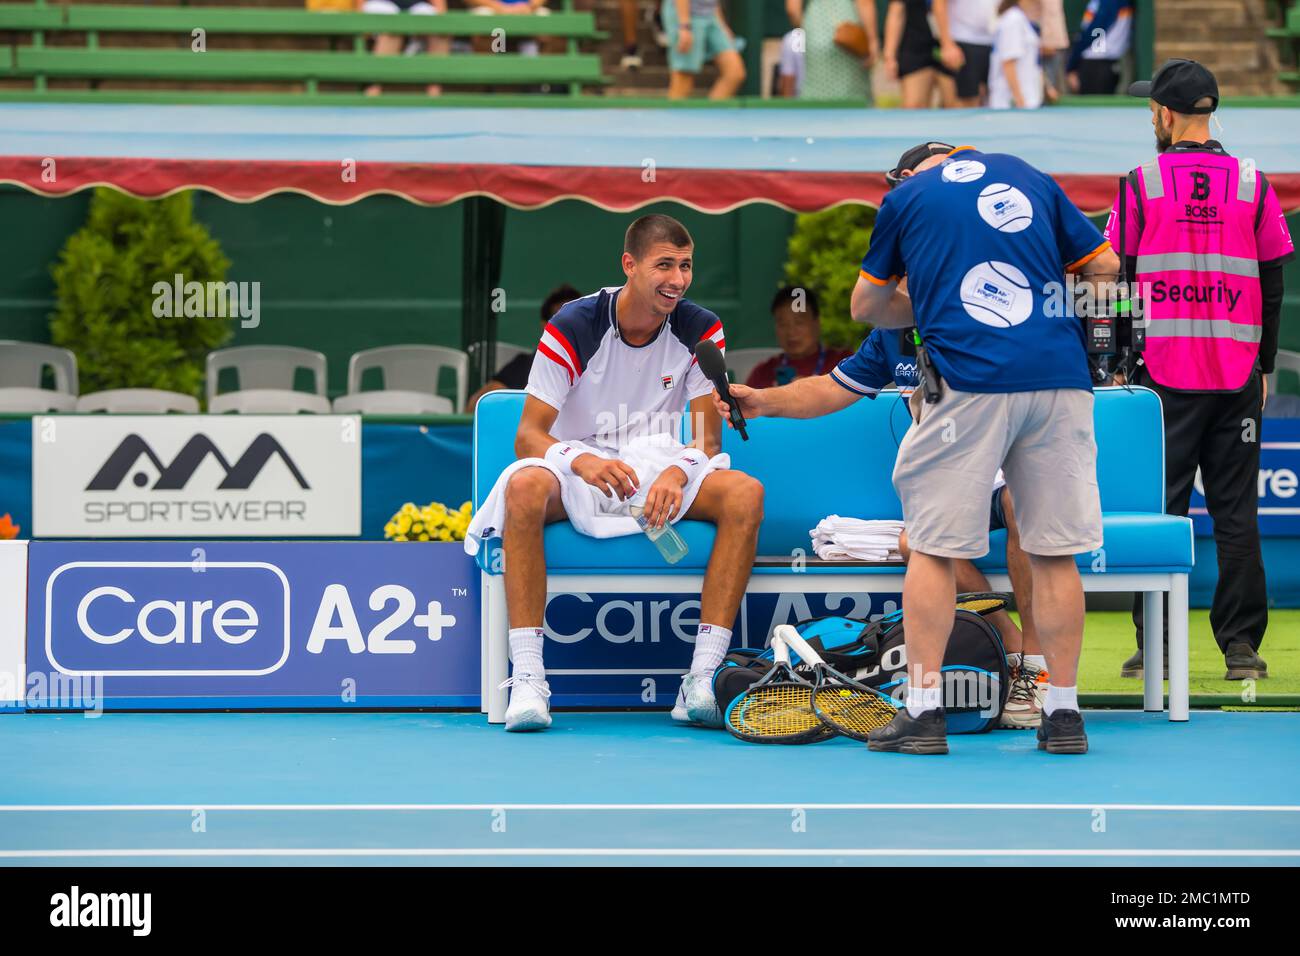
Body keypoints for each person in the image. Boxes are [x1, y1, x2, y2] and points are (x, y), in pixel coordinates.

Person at [716, 144, 1118, 755]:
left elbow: (865, 305)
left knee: (929, 549)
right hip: (1060, 379)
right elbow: (1106, 266)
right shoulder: (1028, 174)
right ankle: (1063, 714)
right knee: (1055, 554)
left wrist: (940, 293)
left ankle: (924, 713)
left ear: (907, 177)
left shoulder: (907, 200)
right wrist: (764, 401)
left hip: (972, 386)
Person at [474, 214, 764, 731]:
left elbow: (707, 439)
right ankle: (530, 679)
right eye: (664, 265)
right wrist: (581, 460)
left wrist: (678, 471)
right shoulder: (571, 324)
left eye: (686, 266)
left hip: (655, 467)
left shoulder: (702, 327)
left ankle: (701, 679)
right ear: (629, 265)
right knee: (522, 485)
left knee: (744, 492)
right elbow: (530, 436)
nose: (678, 278)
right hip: (576, 470)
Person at [1107, 60, 1295, 681]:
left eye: (1150, 110)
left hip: (1161, 379)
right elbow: (1273, 280)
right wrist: (1264, 364)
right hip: (1237, 373)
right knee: (1238, 514)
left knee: (1159, 510)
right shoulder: (1253, 182)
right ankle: (1241, 649)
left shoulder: (1141, 182)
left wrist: (1119, 363)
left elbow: (1120, 280)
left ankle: (1154, 644)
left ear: (1164, 114)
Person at [837, 326, 1049, 728]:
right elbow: (830, 389)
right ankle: (1011, 641)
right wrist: (762, 399)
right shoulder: (889, 335)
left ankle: (1037, 670)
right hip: (947, 480)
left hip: (1011, 468)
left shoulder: (989, 317)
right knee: (911, 544)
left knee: (1024, 501)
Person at [466, 284, 579, 415]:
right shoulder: (525, 365)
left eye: (577, 321)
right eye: (561, 322)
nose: (570, 328)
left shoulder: (602, 363)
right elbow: (475, 406)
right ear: (545, 326)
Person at [745, 287, 851, 389]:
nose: (791, 332)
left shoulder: (844, 363)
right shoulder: (763, 372)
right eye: (783, 324)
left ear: (817, 323)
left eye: (799, 322)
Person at [790, 0, 877, 102]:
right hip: (848, 25)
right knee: (854, 94)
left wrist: (805, 28)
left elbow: (792, 10)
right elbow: (865, 3)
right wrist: (872, 40)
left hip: (814, 26)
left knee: (816, 87)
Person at [360, 0, 450, 97]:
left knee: (439, 28)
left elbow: (440, 9)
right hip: (382, 3)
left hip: (416, 5)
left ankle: (434, 88)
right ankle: (375, 87)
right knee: (392, 26)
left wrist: (441, 14)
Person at [663, 0, 746, 100]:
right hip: (685, 15)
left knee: (735, 73)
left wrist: (722, 24)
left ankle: (712, 114)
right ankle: (672, 115)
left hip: (711, 15)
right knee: (683, 80)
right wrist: (684, 26)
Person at [882, 0, 956, 109]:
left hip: (954, 45)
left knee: (955, 105)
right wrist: (890, 56)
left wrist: (948, 44)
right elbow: (896, 12)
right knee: (914, 106)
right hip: (915, 47)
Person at [934, 0, 997, 107]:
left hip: (995, 41)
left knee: (993, 100)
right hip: (964, 40)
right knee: (967, 102)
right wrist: (947, 44)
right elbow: (939, 3)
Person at [1065, 0, 1134, 96]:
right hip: (1099, 64)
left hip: (1095, 65)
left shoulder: (1109, 2)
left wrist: (1071, 66)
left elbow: (1092, 33)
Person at [988, 0, 1042, 110]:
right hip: (1012, 104)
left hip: (1024, 100)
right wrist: (1019, 100)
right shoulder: (1014, 19)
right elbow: (1008, 62)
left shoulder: (1019, 18)